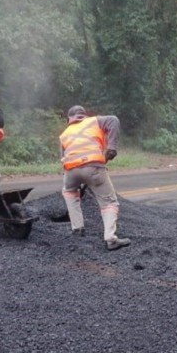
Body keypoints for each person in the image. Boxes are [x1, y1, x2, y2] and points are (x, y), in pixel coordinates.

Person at [59, 105, 130, 251]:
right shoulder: (93, 121)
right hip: (93, 168)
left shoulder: (64, 134)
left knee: (69, 192)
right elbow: (114, 121)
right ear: (84, 115)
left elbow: (62, 158)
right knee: (109, 202)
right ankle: (111, 239)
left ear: (69, 119)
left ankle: (77, 229)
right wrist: (111, 148)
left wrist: (74, 176)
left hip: (70, 171)